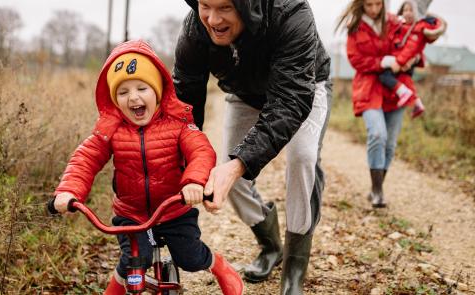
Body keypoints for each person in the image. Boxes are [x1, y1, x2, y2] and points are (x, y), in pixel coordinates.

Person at [51, 40, 243, 295]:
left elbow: (201, 151)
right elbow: (84, 160)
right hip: (131, 213)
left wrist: (194, 182)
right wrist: (68, 192)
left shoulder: (178, 124)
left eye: (142, 88)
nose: (133, 97)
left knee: (189, 257)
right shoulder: (110, 130)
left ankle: (218, 266)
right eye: (123, 92)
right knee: (133, 260)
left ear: (158, 91)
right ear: (114, 99)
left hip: (173, 208)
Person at [173, 0, 331, 294]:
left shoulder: (293, 13)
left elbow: (289, 101)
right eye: (205, 5)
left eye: (224, 8)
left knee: (302, 158)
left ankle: (294, 270)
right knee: (228, 175)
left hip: (303, 89)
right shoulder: (195, 28)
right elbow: (185, 103)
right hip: (244, 93)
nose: (212, 18)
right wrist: (184, 165)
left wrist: (239, 165)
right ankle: (271, 246)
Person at [337, 0, 441, 208]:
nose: (374, 9)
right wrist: (383, 62)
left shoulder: (394, 21)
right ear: (361, 5)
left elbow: (415, 36)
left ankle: (377, 186)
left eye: (378, 4)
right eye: (369, 5)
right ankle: (377, 192)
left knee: (390, 145)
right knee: (377, 135)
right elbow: (355, 60)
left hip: (395, 89)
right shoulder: (354, 27)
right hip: (368, 89)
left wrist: (433, 34)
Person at [378, 0, 446, 118]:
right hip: (401, 60)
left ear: (418, 13)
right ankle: (417, 103)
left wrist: (400, 62)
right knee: (406, 80)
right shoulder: (403, 26)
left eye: (411, 10)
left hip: (401, 62)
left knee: (384, 76)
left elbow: (411, 48)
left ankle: (403, 92)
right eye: (405, 10)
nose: (407, 13)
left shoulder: (417, 29)